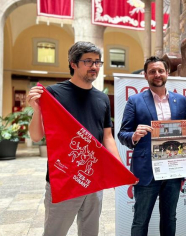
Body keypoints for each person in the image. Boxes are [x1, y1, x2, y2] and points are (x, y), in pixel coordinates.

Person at [27, 41, 122, 236]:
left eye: (97, 62)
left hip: (93, 179)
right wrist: (36, 110)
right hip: (63, 179)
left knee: (90, 232)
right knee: (55, 232)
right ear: (73, 63)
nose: (94, 66)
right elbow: (36, 136)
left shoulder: (102, 98)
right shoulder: (54, 93)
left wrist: (118, 169)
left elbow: (107, 136)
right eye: (88, 61)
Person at [117, 56, 186, 236]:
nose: (157, 74)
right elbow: (122, 134)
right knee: (140, 220)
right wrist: (134, 135)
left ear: (167, 73)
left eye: (160, 71)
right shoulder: (135, 100)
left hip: (174, 169)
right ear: (145, 75)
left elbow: (185, 135)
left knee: (170, 218)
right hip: (147, 171)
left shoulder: (180, 100)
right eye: (152, 71)